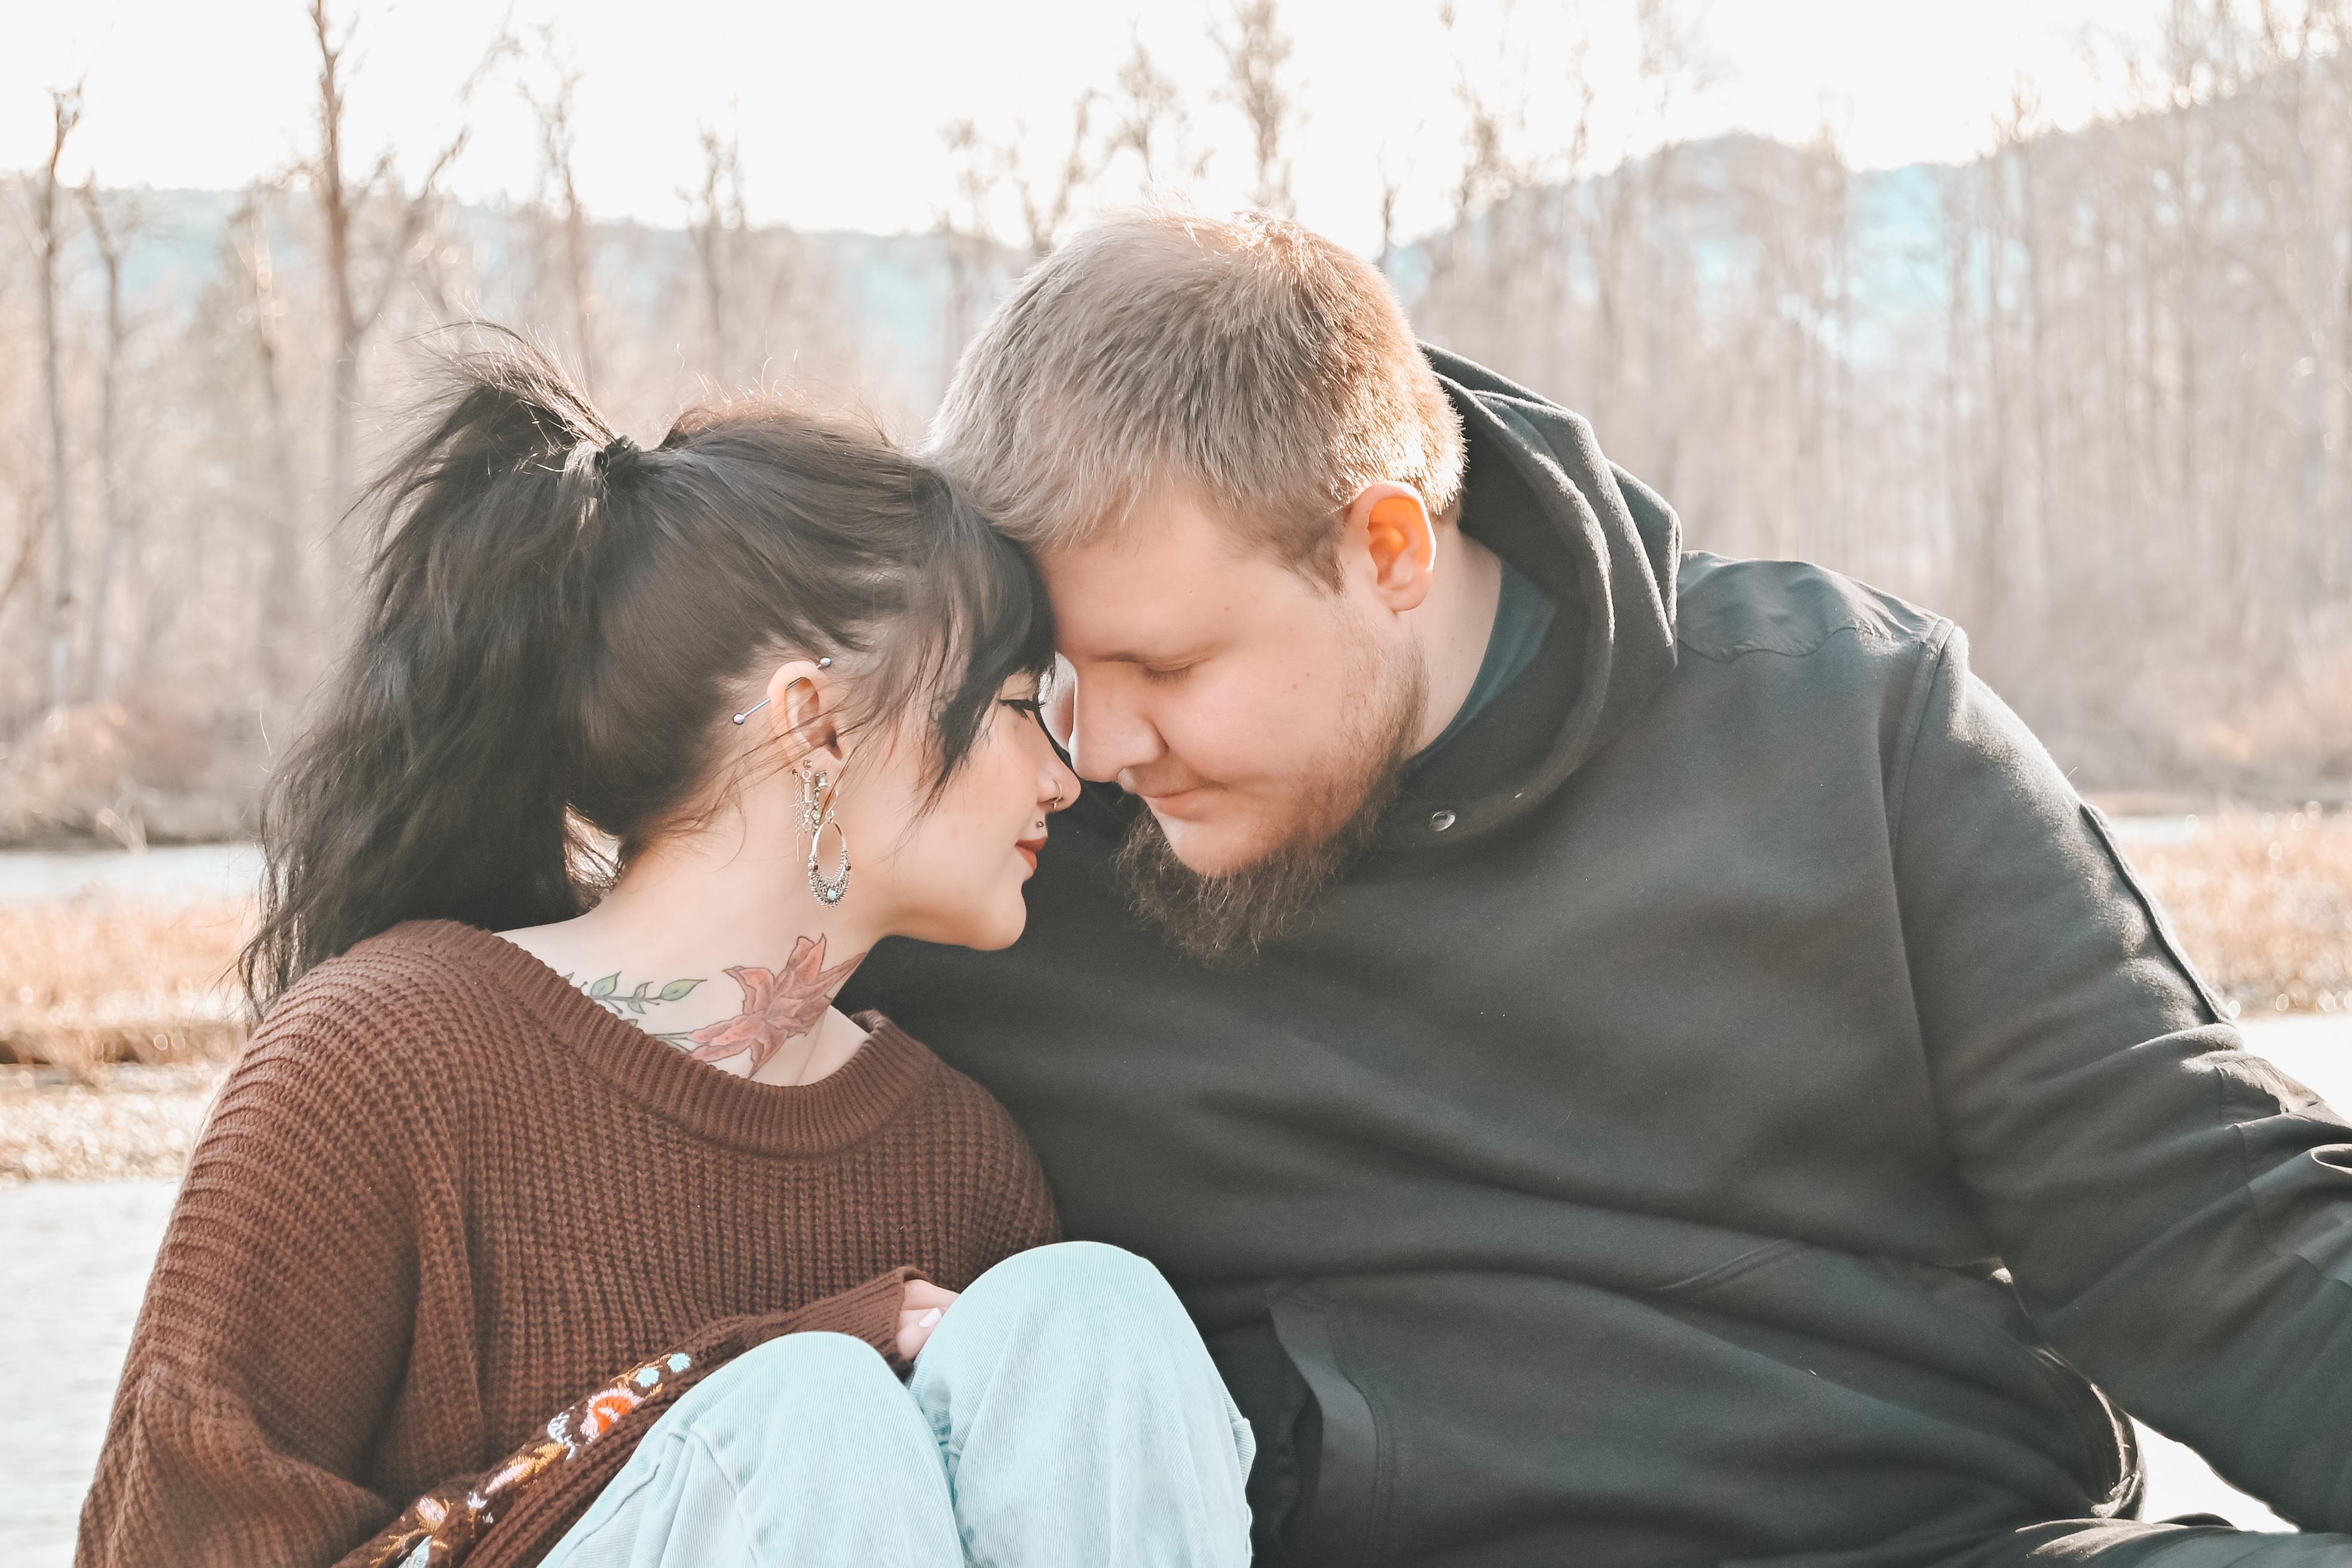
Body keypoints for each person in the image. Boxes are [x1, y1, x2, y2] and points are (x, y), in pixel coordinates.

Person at [844, 208, 2352, 1566]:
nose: (1101, 747)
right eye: (1059, 675)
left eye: (1165, 665)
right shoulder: (1003, 865)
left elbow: (2211, 1228)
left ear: (1387, 547)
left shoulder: (1846, 726)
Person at [75, 336, 1254, 1568]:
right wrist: (734, 1371)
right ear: (815, 725)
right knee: (806, 1417)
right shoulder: (380, 1055)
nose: (1066, 777)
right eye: (1015, 709)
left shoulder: (960, 1156)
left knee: (1095, 1312)